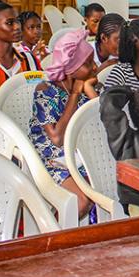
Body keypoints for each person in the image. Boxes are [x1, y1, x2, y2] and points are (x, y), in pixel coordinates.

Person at [27, 29, 95, 220]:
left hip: (80, 154)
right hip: (52, 157)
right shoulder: (45, 91)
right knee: (80, 203)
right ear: (71, 68)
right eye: (88, 63)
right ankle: (51, 235)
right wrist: (74, 95)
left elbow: (101, 123)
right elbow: (56, 138)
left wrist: (89, 91)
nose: (95, 67)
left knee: (99, 191)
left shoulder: (89, 86)